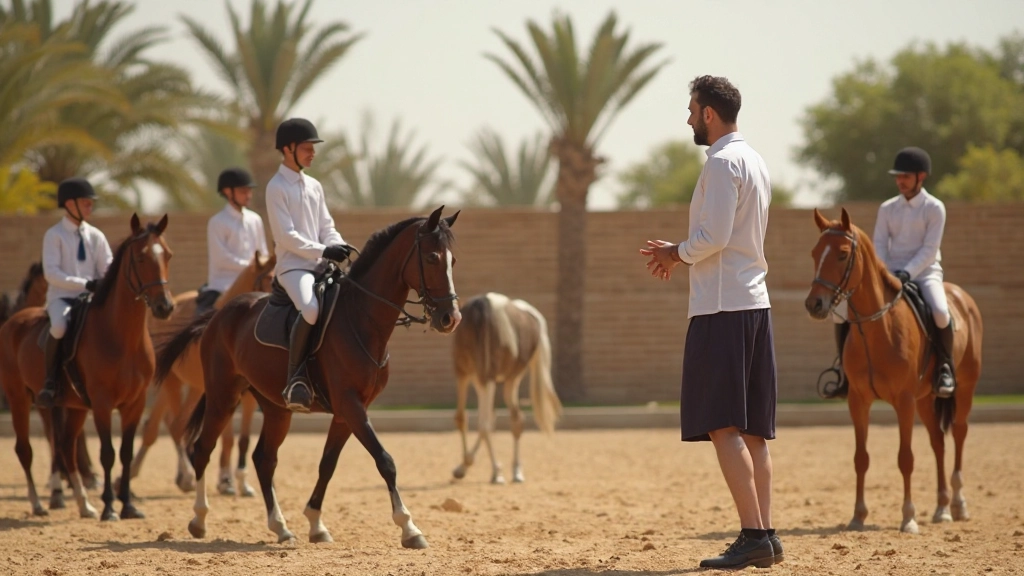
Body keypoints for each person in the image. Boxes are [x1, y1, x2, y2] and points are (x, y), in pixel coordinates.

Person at [639, 75, 780, 570]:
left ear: (709, 115)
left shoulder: (722, 163)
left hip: (721, 309)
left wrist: (675, 253)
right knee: (754, 430)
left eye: (692, 109)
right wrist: (681, 253)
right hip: (754, 306)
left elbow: (714, 235)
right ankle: (767, 534)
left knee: (724, 426)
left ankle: (754, 534)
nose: (688, 118)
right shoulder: (756, 161)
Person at [821, 147, 955, 400]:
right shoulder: (887, 208)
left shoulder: (935, 208)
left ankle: (944, 367)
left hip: (925, 272)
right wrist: (884, 271)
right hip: (889, 271)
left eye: (905, 176)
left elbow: (929, 249)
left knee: (939, 311)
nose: (899, 181)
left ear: (921, 176)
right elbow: (879, 244)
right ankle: (843, 370)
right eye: (897, 176)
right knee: (840, 313)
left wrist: (907, 272)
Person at [265, 118, 352, 412]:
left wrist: (338, 244)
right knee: (311, 309)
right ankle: (295, 380)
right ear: (288, 149)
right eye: (306, 148)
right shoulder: (276, 187)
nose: (312, 153)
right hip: (293, 268)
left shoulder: (314, 186)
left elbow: (327, 226)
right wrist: (324, 250)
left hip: (319, 264)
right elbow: (286, 237)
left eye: (313, 148)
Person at [36, 178, 113, 408]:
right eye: (86, 203)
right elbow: (52, 273)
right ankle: (50, 382)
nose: (90, 207)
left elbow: (107, 267)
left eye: (91, 204)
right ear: (70, 204)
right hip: (62, 298)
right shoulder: (54, 235)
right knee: (59, 327)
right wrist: (86, 283)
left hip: (90, 299)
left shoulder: (96, 236)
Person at [197, 167, 268, 315]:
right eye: (243, 191)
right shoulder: (217, 222)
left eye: (249, 191)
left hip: (253, 285)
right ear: (228, 192)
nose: (248, 195)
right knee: (202, 324)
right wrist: (251, 267)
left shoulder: (255, 220)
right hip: (223, 287)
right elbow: (221, 259)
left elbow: (263, 253)